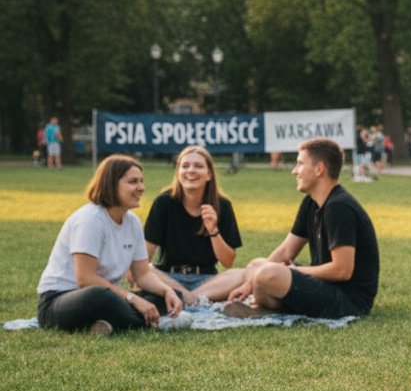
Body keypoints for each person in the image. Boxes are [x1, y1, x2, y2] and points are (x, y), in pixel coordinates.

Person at [200, 138, 379, 319]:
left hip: (349, 301)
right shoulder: (312, 202)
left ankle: (268, 309)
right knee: (257, 265)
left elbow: (342, 270)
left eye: (300, 164)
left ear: (319, 169)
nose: (294, 171)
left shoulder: (339, 207)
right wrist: (250, 283)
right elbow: (287, 250)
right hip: (326, 287)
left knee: (269, 273)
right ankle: (267, 307)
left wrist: (291, 271)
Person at [36, 155, 186, 334]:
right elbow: (86, 279)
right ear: (111, 185)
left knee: (173, 295)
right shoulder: (90, 220)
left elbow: (143, 274)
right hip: (60, 301)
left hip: (110, 296)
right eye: (133, 182)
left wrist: (167, 290)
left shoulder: (133, 222)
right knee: (99, 296)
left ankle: (106, 324)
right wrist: (133, 299)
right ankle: (157, 324)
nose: (141, 188)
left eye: (141, 181)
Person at [144, 145, 242, 301]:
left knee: (240, 275)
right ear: (178, 172)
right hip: (169, 278)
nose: (191, 170)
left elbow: (228, 261)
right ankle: (192, 299)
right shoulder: (163, 202)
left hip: (207, 281)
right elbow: (143, 258)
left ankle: (186, 299)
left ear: (209, 174)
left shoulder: (222, 205)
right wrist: (141, 276)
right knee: (143, 269)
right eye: (185, 166)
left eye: (198, 166)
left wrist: (213, 230)